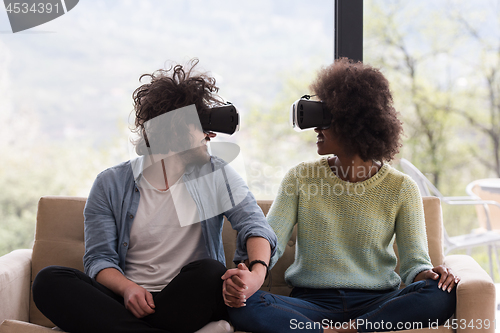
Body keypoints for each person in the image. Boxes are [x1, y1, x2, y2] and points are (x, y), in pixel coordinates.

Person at [32, 59, 276, 333]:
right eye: (201, 127)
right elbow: (99, 259)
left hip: (187, 299)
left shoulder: (215, 174)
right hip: (126, 301)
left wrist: (256, 276)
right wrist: (127, 289)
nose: (211, 135)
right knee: (49, 280)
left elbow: (255, 226)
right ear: (176, 131)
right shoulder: (110, 183)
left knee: (210, 272)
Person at [224, 58, 458, 333]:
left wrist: (431, 276)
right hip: (312, 304)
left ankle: (346, 329)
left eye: (324, 119)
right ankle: (337, 331)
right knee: (239, 304)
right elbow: (270, 239)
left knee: (441, 294)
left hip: (378, 303)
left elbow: (414, 263)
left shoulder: (401, 187)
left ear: (353, 123)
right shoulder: (300, 177)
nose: (315, 129)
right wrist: (248, 275)